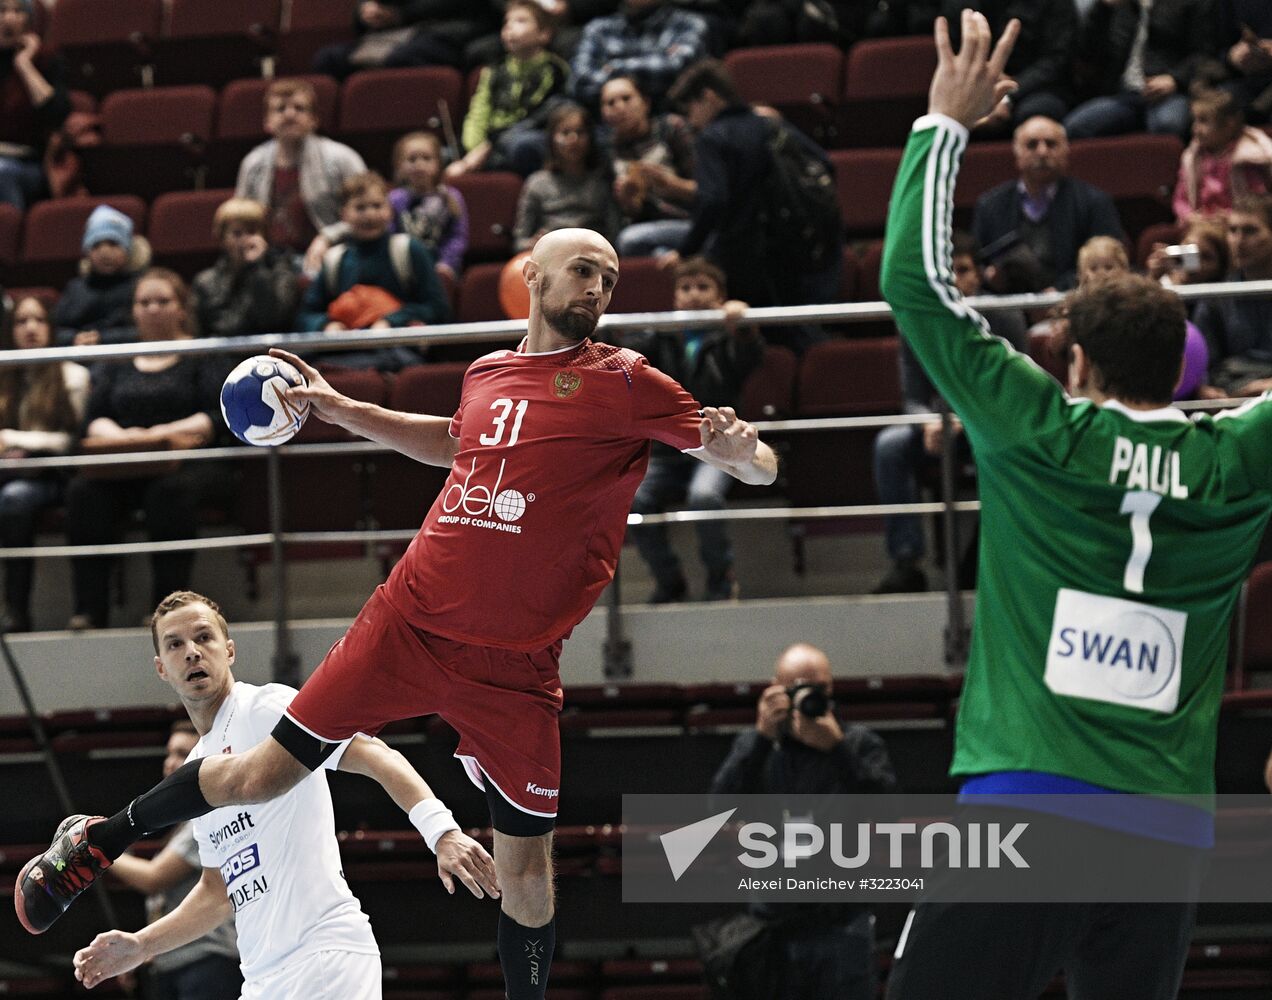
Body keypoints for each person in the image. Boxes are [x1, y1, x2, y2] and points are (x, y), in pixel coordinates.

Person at [17, 227, 778, 1000]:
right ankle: (93, 845)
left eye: (608, 280)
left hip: (515, 669)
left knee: (527, 877)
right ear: (533, 276)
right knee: (256, 778)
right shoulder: (489, 372)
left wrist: (742, 452)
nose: (596, 289)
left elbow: (752, 464)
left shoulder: (625, 382)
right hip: (406, 623)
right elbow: (454, 447)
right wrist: (344, 409)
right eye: (582, 271)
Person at [880, 13, 1272, 998]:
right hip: (1169, 829)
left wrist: (943, 124)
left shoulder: (1039, 429)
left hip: (1030, 801)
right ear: (1184, 367)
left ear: (1079, 363)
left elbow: (915, 285)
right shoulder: (1237, 459)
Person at [68, 590, 499, 997]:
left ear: (229, 650)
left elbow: (374, 754)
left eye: (203, 637)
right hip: (261, 979)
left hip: (324, 957)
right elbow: (219, 892)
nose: (192, 652)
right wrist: (142, 947)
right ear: (161, 666)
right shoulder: (196, 770)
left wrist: (441, 831)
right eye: (175, 644)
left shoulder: (266, 708)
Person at [710, 642, 896, 1000]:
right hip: (774, 926)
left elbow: (888, 812)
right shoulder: (756, 748)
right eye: (797, 688)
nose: (809, 696)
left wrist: (838, 749)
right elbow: (719, 807)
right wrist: (762, 737)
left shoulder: (858, 744)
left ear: (832, 688)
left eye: (819, 688)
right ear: (774, 689)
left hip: (843, 924)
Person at [63, 269, 233, 631]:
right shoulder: (121, 358)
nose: (153, 309)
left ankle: (165, 610)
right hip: (128, 460)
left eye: (162, 301)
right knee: (83, 493)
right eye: (144, 303)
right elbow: (93, 419)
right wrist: (127, 437)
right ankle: (90, 611)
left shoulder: (201, 354)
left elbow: (217, 415)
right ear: (134, 310)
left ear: (182, 308)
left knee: (168, 494)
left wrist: (162, 433)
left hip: (188, 462)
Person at [871, 230, 1028, 594]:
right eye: (947, 271)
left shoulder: (1004, 316)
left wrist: (971, 418)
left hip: (993, 426)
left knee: (1011, 450)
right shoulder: (917, 318)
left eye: (962, 269)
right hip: (940, 427)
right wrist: (927, 421)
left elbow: (1020, 390)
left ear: (978, 274)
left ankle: (1001, 558)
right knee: (889, 446)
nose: (955, 280)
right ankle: (907, 561)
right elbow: (911, 395)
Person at [664, 59, 843, 346]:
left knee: (761, 342)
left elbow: (713, 200)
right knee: (800, 332)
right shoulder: (770, 123)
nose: (691, 120)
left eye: (690, 109)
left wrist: (687, 249)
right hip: (801, 247)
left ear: (709, 97)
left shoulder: (712, 137)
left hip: (746, 256)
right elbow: (824, 165)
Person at [617, 256, 760, 601]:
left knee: (704, 497)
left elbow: (750, 353)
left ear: (720, 296)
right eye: (685, 288)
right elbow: (628, 355)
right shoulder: (661, 338)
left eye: (703, 287)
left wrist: (743, 324)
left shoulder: (729, 340)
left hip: (717, 448)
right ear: (675, 298)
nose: (693, 295)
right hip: (668, 449)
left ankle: (720, 578)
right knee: (634, 500)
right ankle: (670, 581)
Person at [107, 721, 243, 1000]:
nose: (171, 763)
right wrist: (138, 952)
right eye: (169, 753)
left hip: (207, 961)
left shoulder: (209, 817)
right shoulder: (182, 825)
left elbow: (154, 877)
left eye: (182, 754)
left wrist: (99, 851)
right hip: (171, 962)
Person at [298, 171, 450, 370]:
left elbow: (437, 307)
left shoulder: (410, 249)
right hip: (347, 349)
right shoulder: (335, 259)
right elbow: (306, 314)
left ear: (390, 210)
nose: (370, 215)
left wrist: (392, 321)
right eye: (360, 208)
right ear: (344, 214)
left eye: (377, 206)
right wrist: (326, 325)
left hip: (396, 349)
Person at [0, 295, 89, 632]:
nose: (31, 328)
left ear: (51, 327)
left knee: (14, 499)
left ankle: (17, 611)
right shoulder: (5, 376)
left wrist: (14, 440)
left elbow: (71, 440)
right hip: (7, 472)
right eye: (22, 322)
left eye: (38, 320)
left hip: (54, 475)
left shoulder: (72, 376)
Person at [971, 115, 1125, 293]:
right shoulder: (990, 205)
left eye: (1051, 144)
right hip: (1007, 305)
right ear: (1017, 154)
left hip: (1075, 300)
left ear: (1066, 151)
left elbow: (1111, 262)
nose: (1042, 152)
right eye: (1032, 145)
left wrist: (1060, 289)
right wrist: (990, 277)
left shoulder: (1094, 202)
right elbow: (975, 264)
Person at [234, 79, 367, 277]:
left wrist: (327, 237)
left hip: (334, 254)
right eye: (280, 109)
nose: (289, 114)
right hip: (270, 260)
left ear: (314, 120)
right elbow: (239, 219)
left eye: (299, 108)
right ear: (267, 122)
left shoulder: (342, 158)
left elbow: (369, 214)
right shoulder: (253, 163)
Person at [446, 0, 569, 181]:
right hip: (487, 143)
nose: (510, 27)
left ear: (544, 33)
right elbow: (479, 111)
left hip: (520, 137)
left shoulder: (555, 70)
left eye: (520, 21)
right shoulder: (494, 70)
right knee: (438, 154)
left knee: (523, 145)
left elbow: (535, 116)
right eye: (506, 22)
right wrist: (473, 148)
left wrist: (487, 148)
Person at [1064, 0, 1216, 140]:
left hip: (1169, 93)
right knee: (1076, 127)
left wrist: (1175, 79)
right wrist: (1103, 9)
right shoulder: (1118, 6)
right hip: (1124, 94)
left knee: (1168, 124)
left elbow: (1204, 53)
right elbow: (1088, 54)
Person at [938, 0, 1076, 134]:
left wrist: (1007, 93)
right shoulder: (961, 4)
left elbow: (1057, 58)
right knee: (952, 116)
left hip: (1035, 88)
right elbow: (953, 55)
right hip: (974, 84)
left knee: (1036, 117)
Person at [600, 74, 697, 257]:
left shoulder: (671, 128)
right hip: (645, 228)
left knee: (632, 240)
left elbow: (708, 191)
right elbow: (628, 214)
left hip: (691, 221)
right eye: (610, 103)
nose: (619, 107)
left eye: (626, 98)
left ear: (646, 103)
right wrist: (629, 200)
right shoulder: (607, 150)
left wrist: (669, 184)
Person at [1192, 193, 1272, 398]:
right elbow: (1200, 366)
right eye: (1232, 230)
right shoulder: (1215, 297)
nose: (1238, 241)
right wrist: (1205, 391)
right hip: (1232, 395)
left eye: (1250, 231)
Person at [512, 102, 620, 252]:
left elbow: (613, 236)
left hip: (591, 255)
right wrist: (532, 244)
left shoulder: (601, 181)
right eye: (565, 133)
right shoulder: (537, 183)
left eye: (580, 132)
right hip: (551, 256)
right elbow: (519, 243)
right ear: (552, 139)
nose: (573, 139)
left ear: (590, 138)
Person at [192, 198, 301, 340]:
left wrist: (256, 268)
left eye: (252, 232)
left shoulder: (282, 273)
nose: (245, 240)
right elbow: (226, 327)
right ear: (222, 238)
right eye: (237, 233)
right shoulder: (206, 281)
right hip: (223, 357)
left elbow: (272, 320)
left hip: (269, 354)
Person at [570, 0, 709, 110]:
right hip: (606, 128)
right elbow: (579, 81)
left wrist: (614, 68)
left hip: (667, 122)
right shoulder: (598, 29)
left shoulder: (689, 24)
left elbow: (677, 70)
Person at [0, 0, 69, 209]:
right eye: (1, 11)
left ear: (29, 20)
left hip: (28, 164)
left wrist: (25, 65)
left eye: (17, 11)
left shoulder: (46, 60)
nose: (8, 18)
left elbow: (57, 113)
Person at [313, 0, 494, 78]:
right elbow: (362, 12)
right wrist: (365, 11)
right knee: (327, 59)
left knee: (401, 57)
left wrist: (401, 15)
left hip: (446, 31)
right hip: (389, 34)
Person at [53, 205, 152, 347]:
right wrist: (74, 338)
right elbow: (54, 330)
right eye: (96, 245)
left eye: (113, 244)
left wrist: (102, 338)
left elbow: (149, 330)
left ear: (128, 249)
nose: (104, 252)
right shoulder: (75, 288)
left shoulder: (140, 287)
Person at [1172, 86, 1272, 224]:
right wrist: (1190, 216)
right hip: (1200, 224)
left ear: (1229, 124)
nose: (1195, 129)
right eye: (1194, 120)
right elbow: (1180, 199)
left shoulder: (1248, 158)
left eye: (1203, 121)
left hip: (1237, 225)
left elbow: (1258, 203)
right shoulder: (1193, 157)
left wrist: (1230, 216)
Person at [389, 132, 469, 282]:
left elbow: (457, 237)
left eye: (426, 158)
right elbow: (390, 235)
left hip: (441, 266)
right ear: (400, 164)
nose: (419, 165)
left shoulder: (451, 197)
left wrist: (447, 263)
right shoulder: (394, 198)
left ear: (438, 163)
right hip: (403, 268)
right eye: (412, 159)